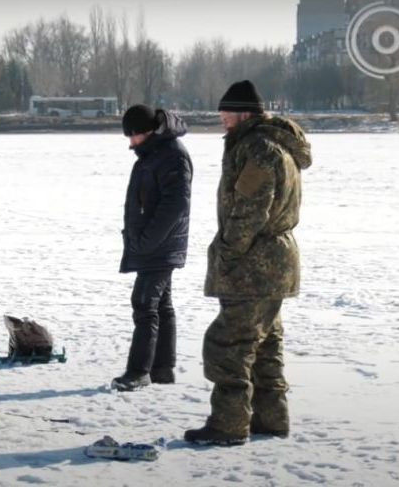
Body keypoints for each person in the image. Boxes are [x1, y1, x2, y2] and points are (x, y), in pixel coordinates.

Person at [184, 80, 312, 446]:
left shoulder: (259, 148)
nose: (222, 120)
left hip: (255, 265)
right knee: (265, 343)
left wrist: (227, 252)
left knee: (229, 344)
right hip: (274, 262)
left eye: (226, 114)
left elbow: (250, 210)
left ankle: (228, 424)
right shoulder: (271, 146)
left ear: (246, 113)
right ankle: (271, 419)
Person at [112, 104, 194, 392]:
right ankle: (162, 370)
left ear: (146, 132)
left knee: (145, 302)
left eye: (132, 137)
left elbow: (175, 205)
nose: (130, 143)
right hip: (155, 243)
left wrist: (147, 240)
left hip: (160, 245)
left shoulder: (171, 155)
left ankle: (139, 371)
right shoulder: (154, 153)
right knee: (161, 304)